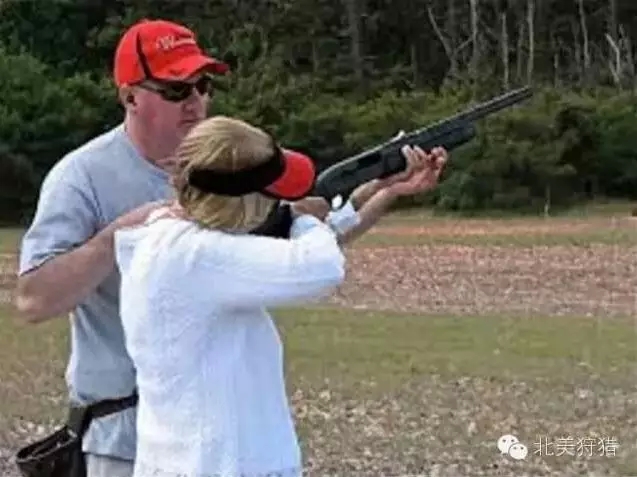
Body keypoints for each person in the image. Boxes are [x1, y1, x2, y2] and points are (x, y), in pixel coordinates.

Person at [14, 17, 448, 477]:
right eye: (176, 90)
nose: (195, 101)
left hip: (216, 435)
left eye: (203, 86)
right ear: (130, 97)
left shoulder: (226, 160)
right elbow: (34, 299)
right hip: (119, 433)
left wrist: (383, 189)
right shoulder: (80, 177)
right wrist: (122, 235)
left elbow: (291, 240)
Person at [113, 115, 444, 477]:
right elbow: (320, 265)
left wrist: (384, 188)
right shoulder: (193, 256)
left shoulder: (176, 243)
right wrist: (303, 217)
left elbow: (322, 235)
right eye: (271, 197)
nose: (279, 204)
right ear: (244, 201)